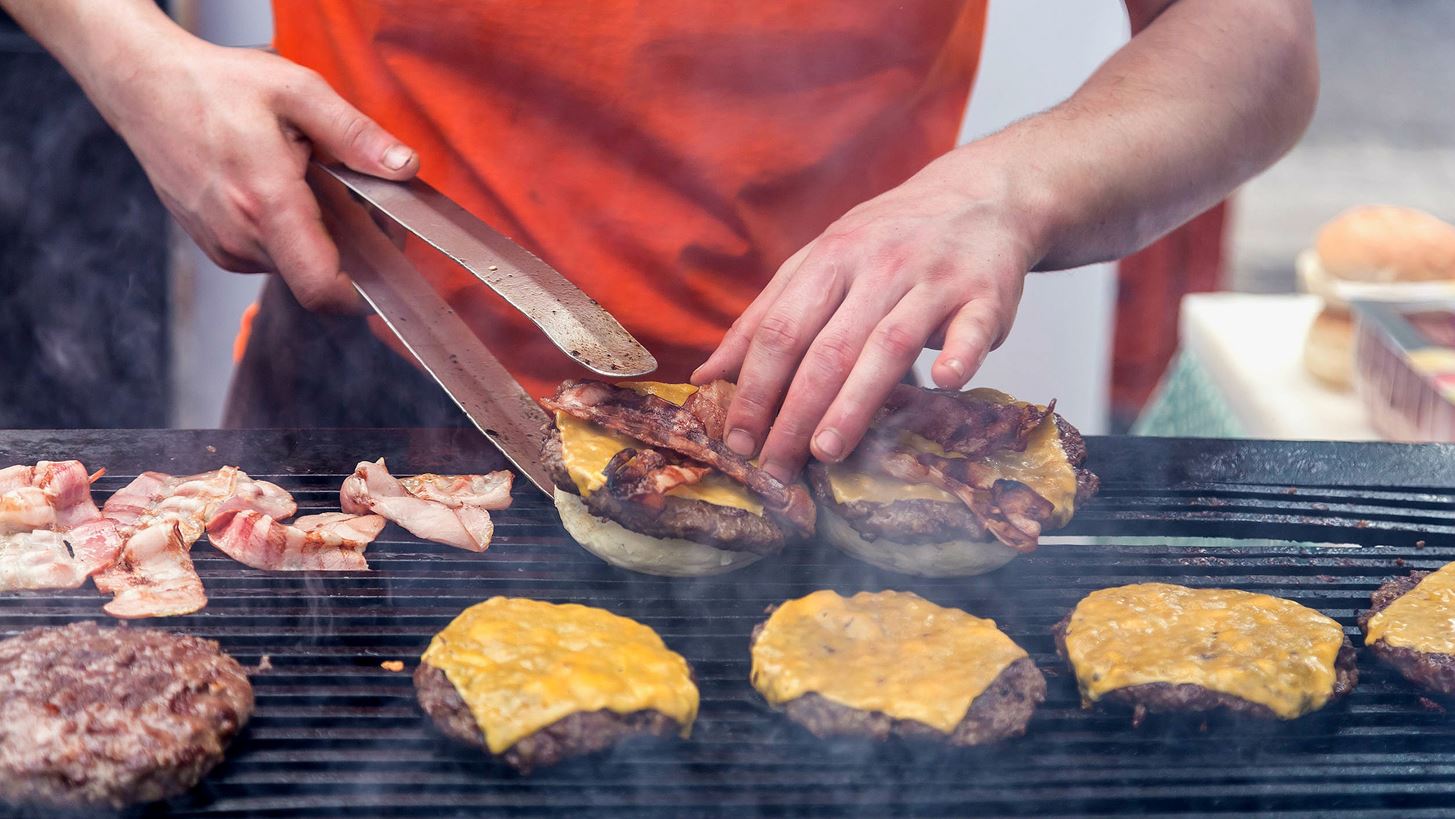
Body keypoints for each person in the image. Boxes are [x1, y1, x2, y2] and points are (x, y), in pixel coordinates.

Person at [4, 1, 1316, 481]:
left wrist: (1010, 188)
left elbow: (1252, 41)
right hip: (367, 407)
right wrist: (134, 56)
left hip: (804, 433)